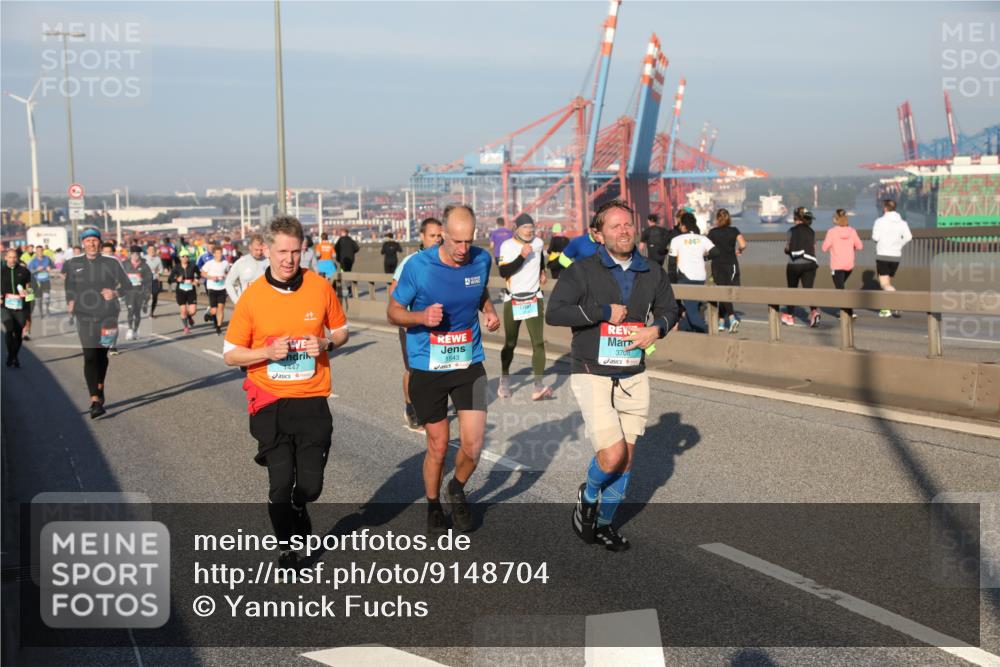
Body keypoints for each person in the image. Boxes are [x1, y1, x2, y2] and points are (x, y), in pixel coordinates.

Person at [546, 199, 678, 551]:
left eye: (628, 225)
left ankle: (604, 524)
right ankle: (587, 497)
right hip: (593, 372)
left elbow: (669, 309)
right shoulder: (582, 271)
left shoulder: (651, 270)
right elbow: (555, 313)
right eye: (615, 226)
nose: (624, 231)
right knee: (612, 455)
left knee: (628, 460)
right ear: (597, 234)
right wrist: (603, 312)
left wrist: (657, 330)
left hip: (633, 372)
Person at [223, 215, 349, 569]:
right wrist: (266, 352)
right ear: (267, 250)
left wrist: (325, 342)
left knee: (309, 487)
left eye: (295, 251)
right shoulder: (253, 298)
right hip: (269, 401)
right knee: (279, 483)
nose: (288, 259)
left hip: (312, 400)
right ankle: (288, 548)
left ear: (302, 249)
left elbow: (341, 332)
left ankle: (300, 506)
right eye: (281, 251)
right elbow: (230, 353)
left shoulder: (319, 286)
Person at [388, 204, 500, 534]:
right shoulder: (418, 267)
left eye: (470, 241)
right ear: (443, 235)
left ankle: (457, 488)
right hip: (427, 366)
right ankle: (433, 502)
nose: (464, 249)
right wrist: (421, 318)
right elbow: (393, 311)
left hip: (468, 361)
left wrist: (489, 311)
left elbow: (479, 291)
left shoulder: (481, 259)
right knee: (438, 445)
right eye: (457, 242)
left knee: (473, 444)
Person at [63, 227, 134, 419]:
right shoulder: (73, 263)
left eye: (95, 240)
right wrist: (70, 300)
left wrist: (115, 293)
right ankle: (95, 399)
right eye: (88, 241)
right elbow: (69, 286)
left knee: (102, 355)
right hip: (84, 314)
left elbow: (127, 286)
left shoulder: (111, 263)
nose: (92, 244)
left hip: (108, 314)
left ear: (100, 243)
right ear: (83, 243)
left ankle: (100, 386)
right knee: (89, 355)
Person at [390, 217, 443, 432]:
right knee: (414, 370)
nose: (437, 240)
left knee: (440, 368)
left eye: (440, 235)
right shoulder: (411, 262)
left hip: (439, 326)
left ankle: (435, 407)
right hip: (413, 326)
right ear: (422, 237)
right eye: (432, 236)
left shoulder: (447, 260)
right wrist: (409, 317)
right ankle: (411, 408)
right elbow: (394, 292)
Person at [497, 213, 551, 401]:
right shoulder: (507, 245)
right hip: (513, 300)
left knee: (538, 343)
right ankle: (504, 379)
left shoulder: (538, 242)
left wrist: (542, 271)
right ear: (517, 229)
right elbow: (503, 271)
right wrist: (521, 256)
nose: (530, 231)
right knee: (510, 343)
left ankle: (538, 385)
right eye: (526, 227)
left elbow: (540, 259)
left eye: (532, 227)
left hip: (534, 298)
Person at [668, 212, 719, 333]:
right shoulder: (703, 239)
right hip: (700, 277)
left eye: (680, 225)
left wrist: (672, 282)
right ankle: (681, 328)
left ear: (684, 226)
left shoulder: (676, 240)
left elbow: (671, 264)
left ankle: (710, 334)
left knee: (692, 312)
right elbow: (716, 252)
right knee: (694, 308)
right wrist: (705, 258)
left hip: (685, 278)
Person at [706, 209, 746, 333]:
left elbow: (707, 249)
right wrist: (738, 251)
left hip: (717, 265)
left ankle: (722, 322)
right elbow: (743, 244)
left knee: (722, 290)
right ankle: (732, 317)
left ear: (717, 219)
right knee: (726, 291)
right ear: (728, 218)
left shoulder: (712, 232)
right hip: (731, 264)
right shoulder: (734, 231)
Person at [871, 199, 912, 318]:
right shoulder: (902, 223)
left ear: (884, 208)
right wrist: (899, 244)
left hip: (883, 254)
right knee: (888, 282)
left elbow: (875, 237)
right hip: (896, 256)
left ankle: (896, 302)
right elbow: (908, 237)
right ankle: (886, 309)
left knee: (884, 284)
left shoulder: (879, 221)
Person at [782, 207, 820, 327]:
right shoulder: (811, 231)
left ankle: (790, 316)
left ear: (795, 218)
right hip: (810, 264)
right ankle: (814, 312)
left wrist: (787, 250)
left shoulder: (791, 231)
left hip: (794, 265)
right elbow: (813, 248)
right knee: (808, 290)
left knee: (792, 290)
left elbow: (788, 248)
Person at [822, 209, 863, 319]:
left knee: (840, 289)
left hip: (837, 266)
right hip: (849, 266)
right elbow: (860, 246)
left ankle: (848, 312)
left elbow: (824, 248)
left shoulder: (832, 232)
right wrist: (850, 246)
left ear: (835, 220)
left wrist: (832, 245)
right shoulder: (852, 231)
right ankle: (844, 311)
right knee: (841, 287)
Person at [2, 248, 32, 368]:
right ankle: (11, 355)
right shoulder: (1, 271)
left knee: (18, 332)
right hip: (5, 306)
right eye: (10, 257)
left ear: (17, 258)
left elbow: (29, 288)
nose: (12, 260)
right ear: (5, 258)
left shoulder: (24, 271)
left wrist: (28, 297)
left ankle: (14, 355)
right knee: (9, 330)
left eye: (14, 257)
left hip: (20, 306)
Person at [225, 234, 269, 304]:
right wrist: (237, 302)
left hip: (264, 304)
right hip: (246, 306)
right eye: (256, 250)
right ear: (250, 247)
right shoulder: (241, 262)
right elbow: (228, 282)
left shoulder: (269, 262)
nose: (259, 253)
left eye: (261, 250)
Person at [122, 246, 153, 340]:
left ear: (140, 255)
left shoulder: (144, 265)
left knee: (137, 313)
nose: (135, 256)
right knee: (130, 310)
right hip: (129, 292)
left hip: (140, 291)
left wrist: (143, 280)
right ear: (130, 254)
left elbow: (149, 279)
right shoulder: (125, 264)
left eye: (137, 254)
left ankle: (135, 330)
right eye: (133, 254)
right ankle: (130, 329)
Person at [201, 245, 231, 335]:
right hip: (212, 288)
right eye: (217, 253)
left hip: (222, 288)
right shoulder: (209, 263)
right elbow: (202, 273)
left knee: (221, 308)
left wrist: (226, 275)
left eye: (220, 253)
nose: (219, 255)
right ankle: (209, 313)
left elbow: (228, 272)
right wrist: (211, 277)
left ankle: (218, 327)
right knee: (214, 310)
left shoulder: (225, 263)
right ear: (214, 254)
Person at [168, 253, 200, 334]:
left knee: (193, 311)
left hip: (191, 290)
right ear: (180, 258)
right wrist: (177, 279)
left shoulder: (193, 266)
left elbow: (199, 275)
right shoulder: (176, 267)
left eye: (187, 256)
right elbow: (170, 279)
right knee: (183, 310)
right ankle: (186, 327)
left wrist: (196, 280)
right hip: (181, 291)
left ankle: (189, 317)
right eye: (183, 256)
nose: (185, 258)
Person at [27, 245, 54, 317]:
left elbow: (53, 266)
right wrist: (36, 270)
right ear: (36, 252)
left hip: (46, 280)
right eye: (38, 251)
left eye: (41, 251)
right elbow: (29, 271)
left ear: (43, 251)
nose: (40, 252)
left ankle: (47, 310)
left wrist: (50, 268)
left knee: (47, 296)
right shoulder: (33, 261)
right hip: (37, 281)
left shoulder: (47, 258)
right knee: (39, 298)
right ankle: (41, 312)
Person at [143, 244, 164, 317]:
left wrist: (159, 273)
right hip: (145, 280)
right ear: (147, 250)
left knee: (155, 296)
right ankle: (145, 304)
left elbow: (161, 269)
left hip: (154, 279)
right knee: (147, 295)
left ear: (155, 251)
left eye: (153, 250)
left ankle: (151, 313)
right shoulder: (143, 258)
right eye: (150, 250)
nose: (152, 251)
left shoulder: (158, 259)